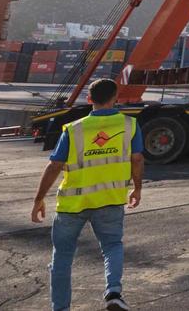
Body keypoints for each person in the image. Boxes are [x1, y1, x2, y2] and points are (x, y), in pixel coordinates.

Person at [32, 78, 144, 311]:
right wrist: (138, 188)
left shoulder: (74, 130)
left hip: (73, 204)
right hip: (110, 199)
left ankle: (60, 308)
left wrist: (39, 199)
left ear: (89, 99)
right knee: (112, 245)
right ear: (116, 98)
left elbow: (54, 166)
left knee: (62, 257)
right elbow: (137, 159)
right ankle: (113, 293)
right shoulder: (129, 125)